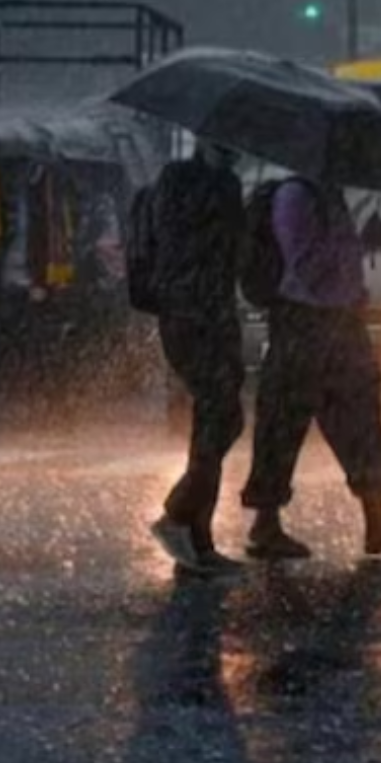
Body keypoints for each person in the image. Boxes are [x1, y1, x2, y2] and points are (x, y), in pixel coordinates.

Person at [240, 176, 381, 560]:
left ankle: (378, 522)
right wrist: (346, 247)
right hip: (305, 322)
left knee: (360, 419)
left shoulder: (331, 195)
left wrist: (363, 244)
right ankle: (265, 524)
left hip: (342, 322)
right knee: (283, 422)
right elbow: (305, 265)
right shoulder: (295, 196)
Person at [142, 140, 249, 575]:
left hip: (213, 313)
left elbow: (232, 255)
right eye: (225, 145)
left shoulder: (224, 184)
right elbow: (188, 242)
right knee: (219, 416)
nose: (231, 152)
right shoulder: (183, 181)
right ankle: (181, 520)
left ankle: (195, 533)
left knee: (219, 420)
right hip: (190, 314)